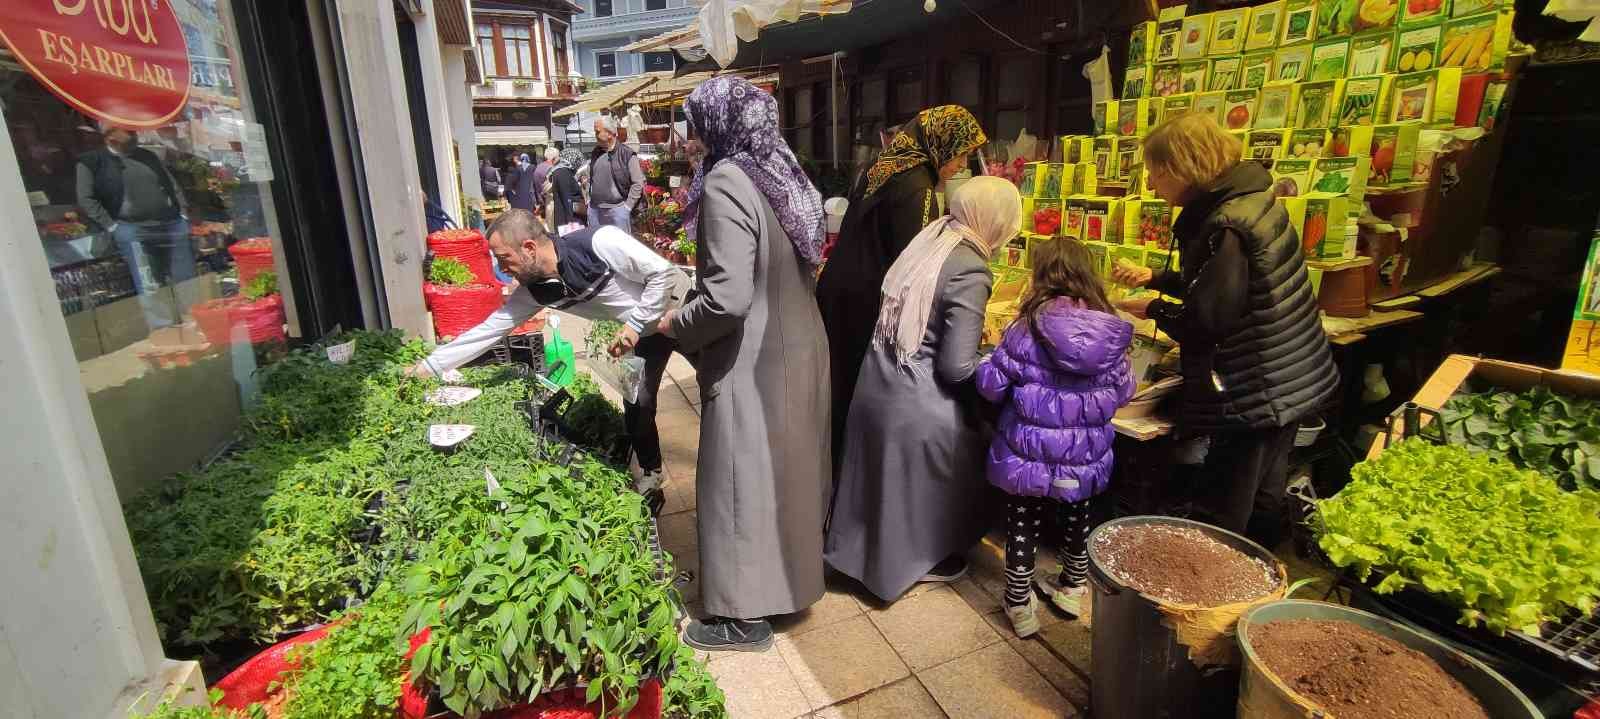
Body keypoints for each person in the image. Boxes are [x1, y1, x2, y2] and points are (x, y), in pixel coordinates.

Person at [656, 76, 830, 651]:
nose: (690, 137)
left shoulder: (730, 180)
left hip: (754, 357)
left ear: (716, 124)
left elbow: (726, 299)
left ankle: (741, 615)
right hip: (799, 344)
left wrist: (673, 326)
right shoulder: (783, 174)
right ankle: (790, 583)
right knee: (786, 475)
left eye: (694, 124)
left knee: (736, 476)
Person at [1112, 113, 1338, 546]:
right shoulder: (1250, 198)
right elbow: (1233, 286)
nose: (1152, 184)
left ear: (1181, 168)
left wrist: (1154, 308)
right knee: (1265, 489)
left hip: (1257, 384)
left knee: (1228, 501)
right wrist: (1156, 278)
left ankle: (1216, 597)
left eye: (1155, 172)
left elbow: (1208, 318)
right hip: (1290, 373)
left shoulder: (1226, 224)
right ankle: (1260, 577)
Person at [825, 176, 1019, 602]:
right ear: (999, 220)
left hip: (874, 388)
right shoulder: (971, 266)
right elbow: (955, 367)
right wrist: (1002, 363)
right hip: (916, 404)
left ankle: (859, 559)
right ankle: (929, 555)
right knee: (984, 445)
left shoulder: (930, 239)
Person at [408, 209, 687, 504]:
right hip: (646, 333)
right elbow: (488, 331)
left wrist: (634, 324)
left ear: (528, 248)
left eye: (504, 258)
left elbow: (662, 274)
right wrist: (427, 367)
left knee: (719, 388)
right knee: (638, 404)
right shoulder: (535, 292)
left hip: (681, 309)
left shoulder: (599, 242)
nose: (502, 269)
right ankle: (652, 471)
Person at [815, 106, 987, 483]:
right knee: (857, 392)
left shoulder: (885, 165)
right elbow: (916, 263)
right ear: (942, 143)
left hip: (840, 291)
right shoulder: (917, 186)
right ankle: (854, 485)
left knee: (839, 390)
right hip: (866, 300)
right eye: (960, 152)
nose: (960, 164)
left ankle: (832, 480)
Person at [976, 239, 1135, 636]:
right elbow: (1124, 392)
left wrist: (984, 362)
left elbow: (992, 386)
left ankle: (1019, 606)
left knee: (1023, 521)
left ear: (1041, 275)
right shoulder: (1112, 333)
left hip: (1028, 452)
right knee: (1078, 516)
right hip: (1084, 454)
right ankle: (1071, 589)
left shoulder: (1025, 327)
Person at [76, 124, 193, 331]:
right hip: (133, 229)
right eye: (128, 131)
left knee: (184, 276)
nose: (134, 134)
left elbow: (170, 184)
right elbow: (86, 199)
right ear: (109, 135)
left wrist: (182, 211)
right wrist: (111, 226)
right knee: (148, 281)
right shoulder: (92, 162)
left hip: (171, 224)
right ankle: (163, 329)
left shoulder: (147, 156)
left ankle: (194, 319)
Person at [588, 115, 645, 231]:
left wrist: (627, 207)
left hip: (617, 210)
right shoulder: (596, 152)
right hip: (595, 210)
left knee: (620, 246)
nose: (595, 135)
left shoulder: (626, 154)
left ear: (609, 133)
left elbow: (638, 183)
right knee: (598, 247)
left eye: (597, 131)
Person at [548, 147, 587, 231]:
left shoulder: (563, 171)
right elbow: (566, 198)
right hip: (569, 220)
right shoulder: (563, 173)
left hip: (568, 217)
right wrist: (570, 221)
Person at [532, 146, 559, 213]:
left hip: (542, 203)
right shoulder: (552, 168)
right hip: (552, 204)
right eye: (558, 156)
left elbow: (533, 188)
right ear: (554, 157)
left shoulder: (538, 167)